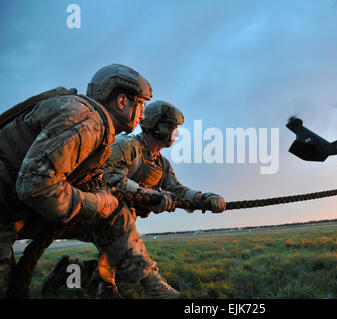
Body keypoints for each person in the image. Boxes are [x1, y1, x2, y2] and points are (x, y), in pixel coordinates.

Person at [41, 100, 227, 298]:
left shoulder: (161, 164)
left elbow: (177, 190)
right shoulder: (127, 146)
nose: (176, 134)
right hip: (93, 213)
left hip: (120, 222)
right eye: (173, 129)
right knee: (127, 259)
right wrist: (153, 196)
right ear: (159, 126)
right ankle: (152, 286)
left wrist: (204, 198)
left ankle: (70, 273)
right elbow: (108, 179)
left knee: (120, 266)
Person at [0, 63, 155, 299]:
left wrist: (142, 197)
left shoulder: (93, 126)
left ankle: (114, 285)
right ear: (122, 101)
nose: (143, 114)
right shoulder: (88, 121)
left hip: (10, 214)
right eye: (141, 104)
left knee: (114, 217)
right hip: (9, 215)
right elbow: (35, 185)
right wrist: (98, 203)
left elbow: (91, 182)